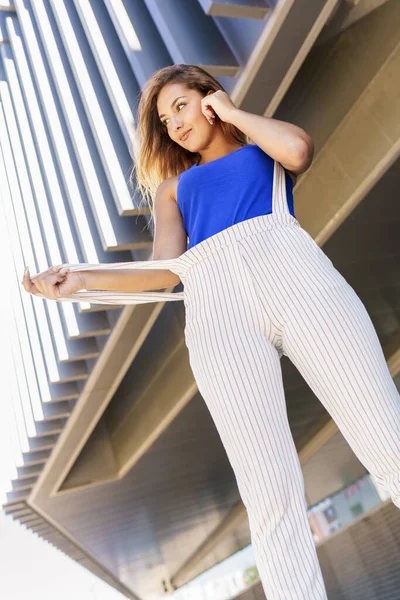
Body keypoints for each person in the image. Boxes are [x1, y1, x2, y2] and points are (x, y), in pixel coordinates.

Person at [22, 64, 400, 600]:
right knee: (267, 489)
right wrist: (78, 279)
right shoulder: (173, 189)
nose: (174, 124)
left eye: (181, 105)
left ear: (209, 98)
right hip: (216, 306)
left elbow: (298, 149)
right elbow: (161, 271)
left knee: (386, 431)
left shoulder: (260, 150)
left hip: (293, 271)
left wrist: (231, 112)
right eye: (164, 118)